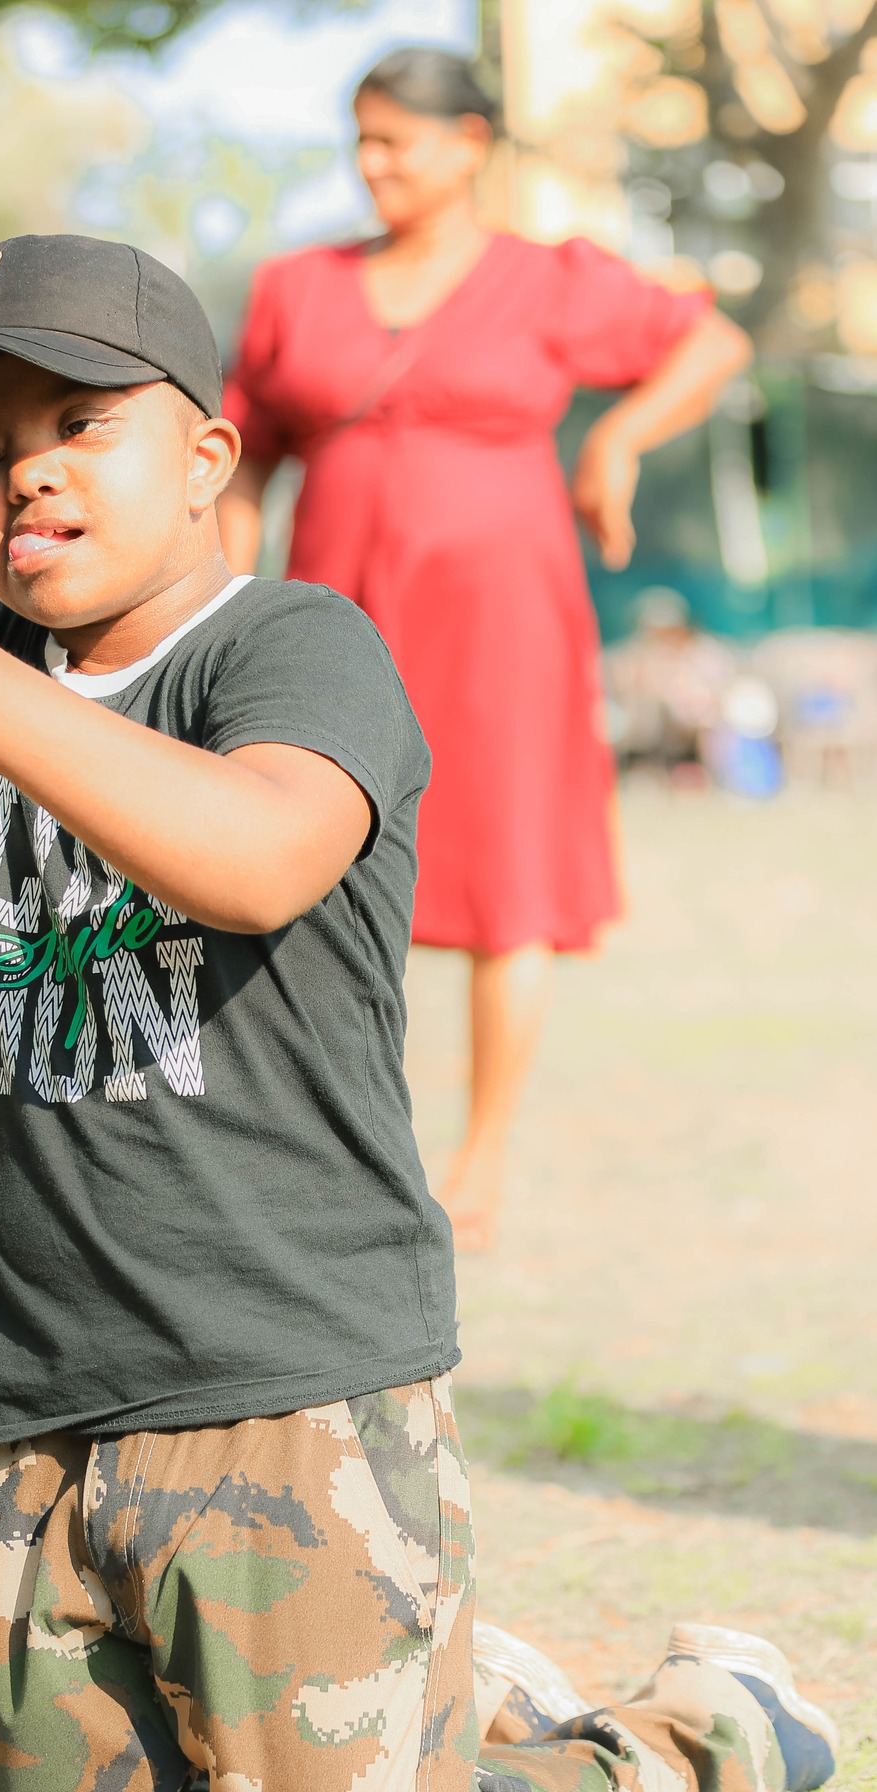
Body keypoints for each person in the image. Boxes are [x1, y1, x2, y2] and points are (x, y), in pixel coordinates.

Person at [0, 231, 835, 1792]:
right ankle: (420, 1699)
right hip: (29, 1398)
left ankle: (699, 1734)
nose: (31, 468)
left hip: (284, 1376)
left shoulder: (298, 644)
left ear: (211, 459)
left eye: (83, 419)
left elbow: (255, 858)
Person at [218, 46, 753, 1250]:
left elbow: (711, 346)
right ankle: (332, 1140)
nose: (373, 165)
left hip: (507, 612)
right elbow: (242, 445)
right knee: (316, 859)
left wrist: (618, 442)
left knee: (505, 869)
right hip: (336, 608)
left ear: (469, 145)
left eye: (397, 140)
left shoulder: (549, 278)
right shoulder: (297, 284)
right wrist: (226, 589)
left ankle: (484, 1157)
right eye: (360, 140)